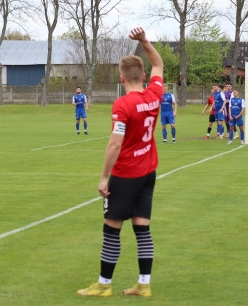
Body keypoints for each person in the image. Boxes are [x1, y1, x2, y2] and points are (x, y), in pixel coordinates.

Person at [77, 27, 163, 298]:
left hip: (126, 174)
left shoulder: (122, 105)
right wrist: (144, 41)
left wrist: (104, 177)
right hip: (148, 172)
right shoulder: (154, 95)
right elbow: (159, 63)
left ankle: (104, 285)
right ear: (144, 76)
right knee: (142, 227)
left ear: (121, 77)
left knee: (111, 227)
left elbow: (115, 143)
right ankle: (144, 284)